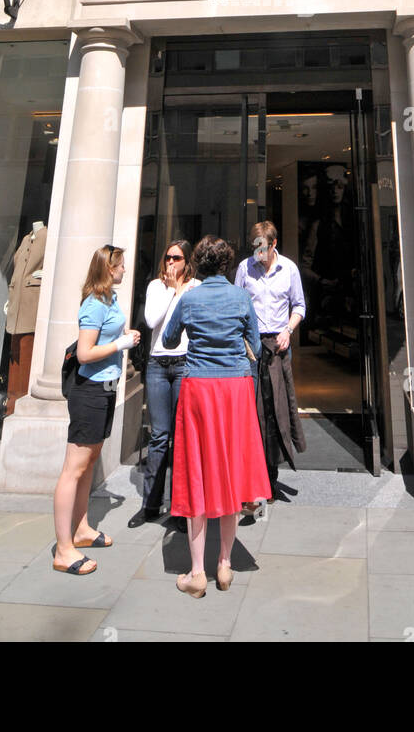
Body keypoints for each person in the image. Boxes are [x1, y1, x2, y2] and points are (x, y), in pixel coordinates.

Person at [161, 235, 270, 598]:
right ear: (225, 264)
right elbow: (255, 345)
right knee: (230, 473)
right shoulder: (241, 298)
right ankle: (224, 564)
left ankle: (196, 573)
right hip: (235, 388)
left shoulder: (190, 298)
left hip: (200, 389)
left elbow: (170, 338)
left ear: (197, 264)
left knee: (197, 473)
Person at [52, 244, 140, 576]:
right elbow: (85, 353)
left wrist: (124, 337)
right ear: (107, 268)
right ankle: (63, 549)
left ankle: (81, 529)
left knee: (89, 462)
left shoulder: (110, 300)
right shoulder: (93, 305)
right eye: (119, 265)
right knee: (73, 467)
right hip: (89, 390)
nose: (124, 270)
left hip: (105, 387)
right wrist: (121, 344)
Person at [127, 239, 199, 528]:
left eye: (177, 258)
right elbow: (151, 319)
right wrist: (171, 289)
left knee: (182, 437)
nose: (171, 263)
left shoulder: (195, 287)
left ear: (187, 262)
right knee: (159, 436)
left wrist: (181, 290)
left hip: (184, 363)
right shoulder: (157, 287)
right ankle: (151, 504)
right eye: (168, 257)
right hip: (158, 364)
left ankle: (180, 508)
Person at [234, 220, 306, 502]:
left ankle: (270, 478)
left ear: (274, 244)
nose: (258, 255)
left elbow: (299, 305)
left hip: (277, 344)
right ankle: (248, 478)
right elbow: (236, 303)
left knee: (276, 409)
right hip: (249, 346)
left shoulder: (288, 269)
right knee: (250, 410)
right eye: (255, 248)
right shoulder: (244, 268)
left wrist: (288, 330)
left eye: (262, 248)